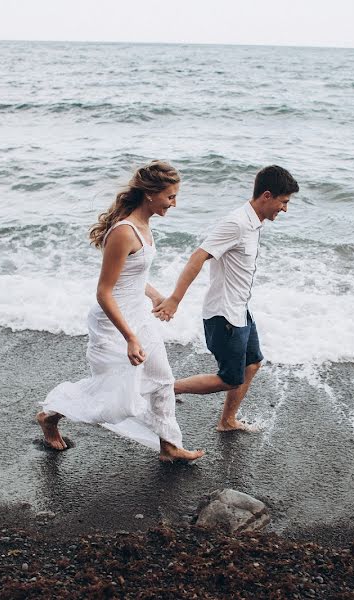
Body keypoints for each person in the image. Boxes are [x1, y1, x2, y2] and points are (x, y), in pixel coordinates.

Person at [37, 161, 204, 463]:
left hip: (139, 315)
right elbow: (104, 292)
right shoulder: (124, 232)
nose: (174, 203)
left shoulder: (144, 227)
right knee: (114, 399)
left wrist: (155, 296)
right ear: (150, 194)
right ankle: (50, 415)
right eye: (170, 196)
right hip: (114, 324)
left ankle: (169, 446)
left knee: (163, 380)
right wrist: (129, 337)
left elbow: (134, 276)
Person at [153, 165, 299, 431]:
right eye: (284, 202)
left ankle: (227, 421)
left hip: (240, 310)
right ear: (267, 195)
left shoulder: (253, 223)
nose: (285, 209)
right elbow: (198, 256)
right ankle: (164, 389)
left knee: (252, 364)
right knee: (230, 378)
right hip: (224, 315)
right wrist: (175, 299)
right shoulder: (237, 224)